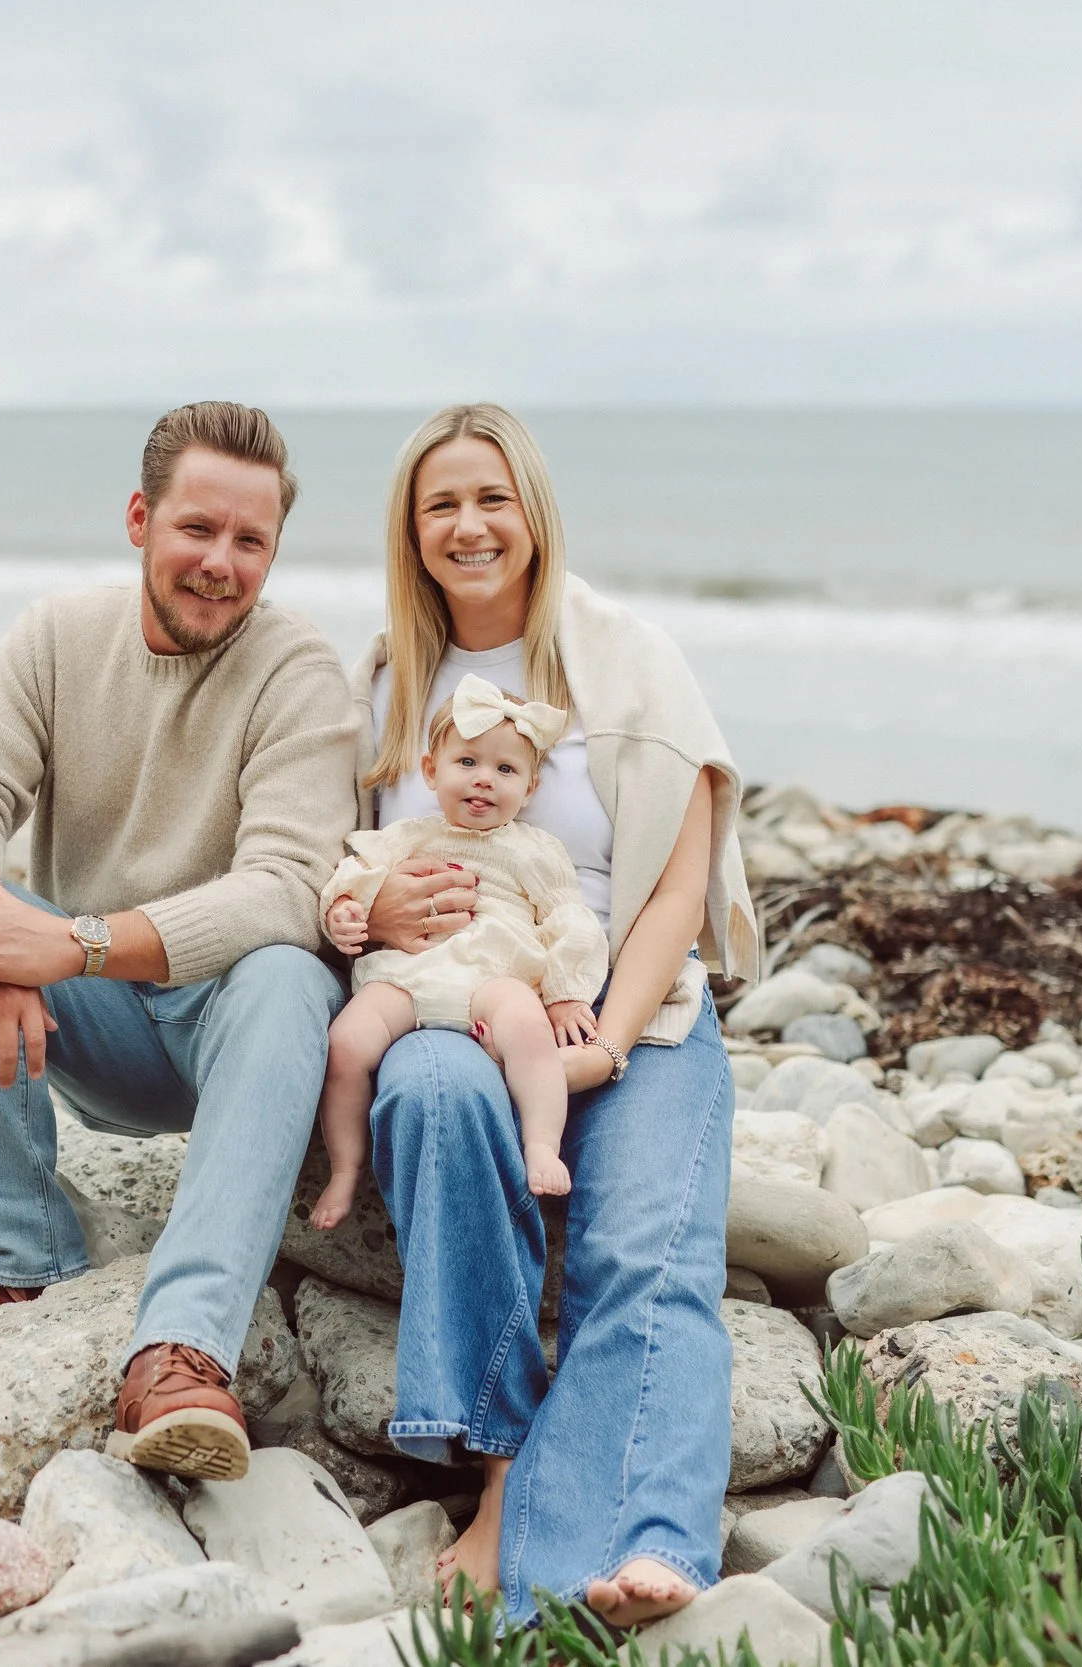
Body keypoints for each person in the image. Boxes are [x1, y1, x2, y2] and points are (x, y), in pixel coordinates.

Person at [0, 401, 358, 1483]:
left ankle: (181, 1348)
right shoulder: (60, 636)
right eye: (197, 528)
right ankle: (20, 1257)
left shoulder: (297, 669)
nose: (220, 562)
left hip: (235, 1038)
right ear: (138, 518)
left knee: (288, 972)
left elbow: (289, 888)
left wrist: (66, 942)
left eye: (249, 541)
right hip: (106, 1033)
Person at [348, 404, 760, 1628]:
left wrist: (608, 1040)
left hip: (628, 1001)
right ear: (411, 532)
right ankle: (499, 1471)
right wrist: (376, 908)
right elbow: (340, 868)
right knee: (429, 1090)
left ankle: (650, 1539)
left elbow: (677, 890)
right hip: (454, 999)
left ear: (534, 513)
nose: (469, 526)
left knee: (644, 1252)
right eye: (441, 506)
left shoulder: (630, 661)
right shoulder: (381, 684)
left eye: (492, 499)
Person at [309, 674, 608, 1230]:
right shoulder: (408, 836)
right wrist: (346, 909)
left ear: (532, 787)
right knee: (345, 1046)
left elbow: (569, 920)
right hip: (406, 976)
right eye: (467, 763)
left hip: (491, 981)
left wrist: (566, 995)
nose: (484, 781)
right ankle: (346, 1167)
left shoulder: (534, 850)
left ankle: (541, 1143)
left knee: (527, 1026)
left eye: (506, 769)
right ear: (430, 770)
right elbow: (356, 875)